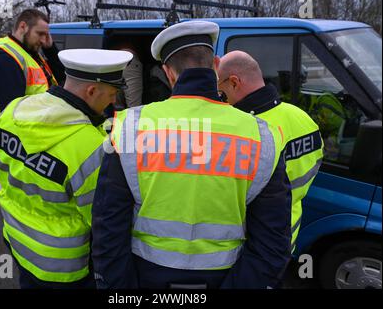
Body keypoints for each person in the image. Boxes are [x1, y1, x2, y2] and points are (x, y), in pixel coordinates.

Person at [91, 21, 292, 289]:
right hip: (228, 277)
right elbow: (273, 242)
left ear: (168, 73)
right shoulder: (261, 135)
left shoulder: (128, 127)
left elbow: (108, 229)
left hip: (146, 277)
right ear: (216, 65)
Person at [0, 48, 133, 288]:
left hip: (18, 242)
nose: (114, 101)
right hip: (62, 268)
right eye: (112, 93)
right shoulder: (91, 148)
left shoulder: (14, 111)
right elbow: (101, 219)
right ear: (92, 90)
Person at [218, 50, 324, 252]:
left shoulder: (243, 131)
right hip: (286, 236)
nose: (220, 98)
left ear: (234, 82)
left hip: (250, 242)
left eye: (220, 90)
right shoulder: (302, 118)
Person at [0, 9, 65, 121]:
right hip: (24, 133)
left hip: (38, 127)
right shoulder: (6, 57)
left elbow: (62, 79)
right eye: (40, 33)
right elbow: (14, 112)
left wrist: (50, 49)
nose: (43, 40)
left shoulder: (30, 52)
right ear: (23, 27)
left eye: (46, 34)